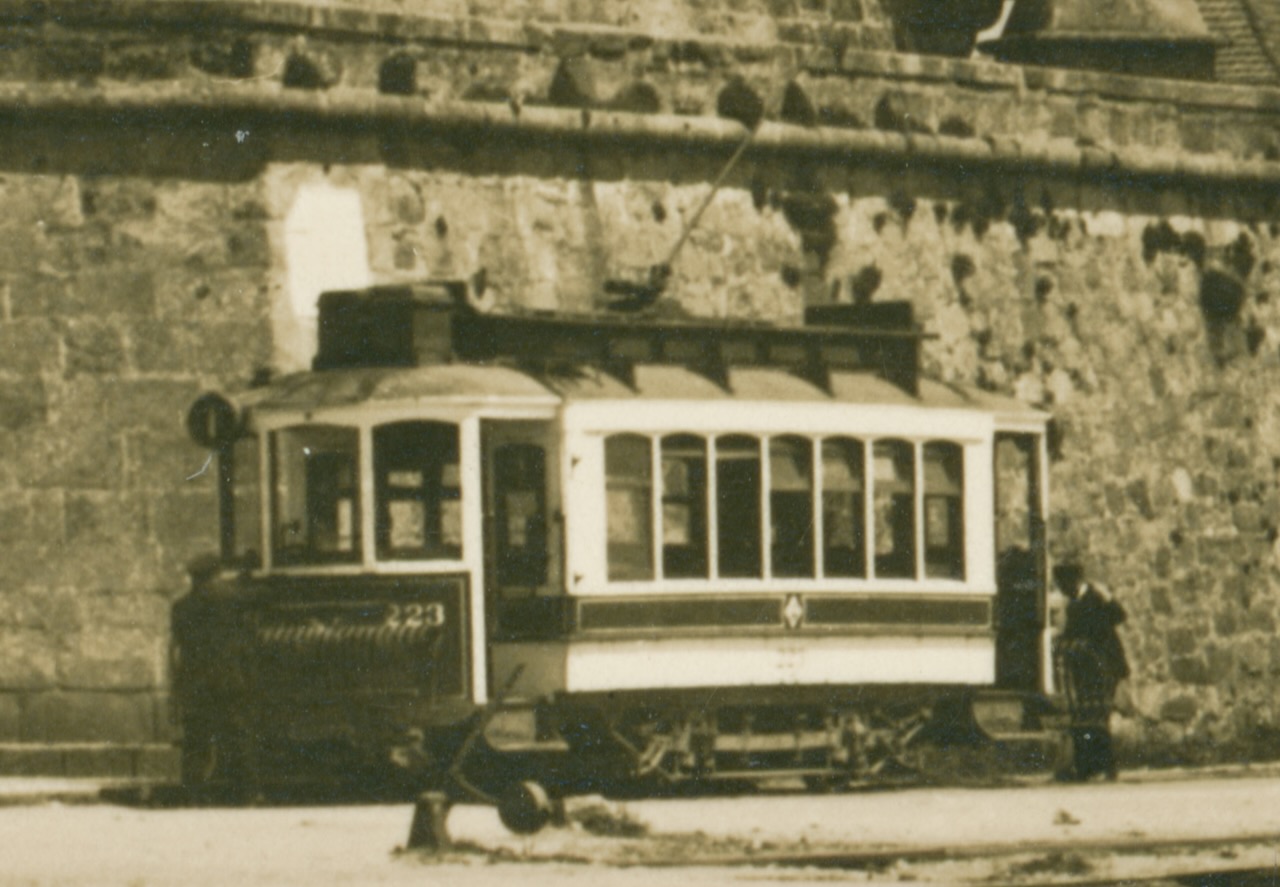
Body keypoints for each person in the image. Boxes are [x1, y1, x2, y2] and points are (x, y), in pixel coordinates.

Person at [1052, 562, 1129, 782]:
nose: (1062, 591)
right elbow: (1074, 633)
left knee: (1098, 715)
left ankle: (1106, 767)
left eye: (1064, 585)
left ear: (1074, 582)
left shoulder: (1096, 598)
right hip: (1086, 666)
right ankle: (1087, 767)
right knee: (1084, 715)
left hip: (1105, 664)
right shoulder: (1074, 604)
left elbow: (1119, 616)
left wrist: (1109, 598)